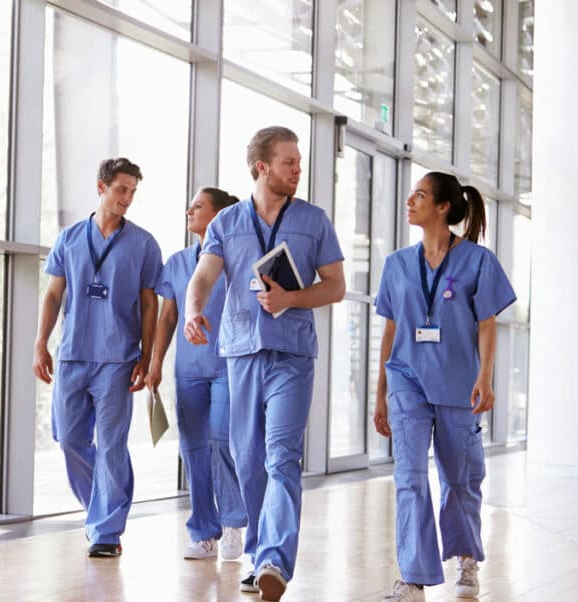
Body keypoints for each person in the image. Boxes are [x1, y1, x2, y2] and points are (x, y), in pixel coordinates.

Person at [183, 127, 345, 601]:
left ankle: (275, 557)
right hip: (240, 354)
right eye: (289, 162)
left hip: (292, 355)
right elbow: (203, 277)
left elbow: (334, 285)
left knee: (281, 456)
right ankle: (259, 556)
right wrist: (194, 312)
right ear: (262, 167)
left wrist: (291, 297)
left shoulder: (314, 221)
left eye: (298, 162)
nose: (298, 169)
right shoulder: (226, 223)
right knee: (249, 459)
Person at [373, 172, 516, 601]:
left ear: (443, 208)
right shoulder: (397, 264)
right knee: (409, 476)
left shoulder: (477, 261)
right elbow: (389, 330)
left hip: (458, 382)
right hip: (407, 380)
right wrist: (380, 391)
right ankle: (413, 577)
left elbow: (487, 325)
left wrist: (484, 378)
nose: (409, 200)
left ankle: (465, 557)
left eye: (419, 195)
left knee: (460, 478)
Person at [33, 157, 162, 558]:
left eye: (133, 192)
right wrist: (41, 343)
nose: (127, 198)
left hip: (118, 358)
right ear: (101, 187)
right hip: (73, 354)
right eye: (121, 189)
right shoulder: (70, 238)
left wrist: (146, 353)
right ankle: (99, 510)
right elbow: (54, 294)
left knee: (110, 445)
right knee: (69, 439)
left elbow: (149, 303)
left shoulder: (143, 243)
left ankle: (106, 530)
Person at [144, 187, 247, 562]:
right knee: (193, 450)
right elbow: (168, 316)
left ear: (220, 215)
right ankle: (204, 531)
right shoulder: (177, 262)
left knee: (221, 440)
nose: (190, 210)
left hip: (227, 366)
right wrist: (155, 363)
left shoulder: (237, 260)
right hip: (188, 370)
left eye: (199, 206)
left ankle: (234, 523)